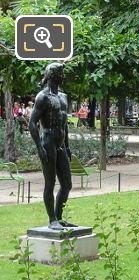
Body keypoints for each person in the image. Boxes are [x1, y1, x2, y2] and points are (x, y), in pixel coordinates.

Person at [29, 63, 75, 230]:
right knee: (50, 182)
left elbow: (65, 124)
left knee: (67, 184)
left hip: (61, 143)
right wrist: (39, 147)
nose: (63, 76)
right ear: (52, 75)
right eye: (60, 73)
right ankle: (52, 220)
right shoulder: (43, 97)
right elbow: (32, 123)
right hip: (48, 141)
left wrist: (68, 146)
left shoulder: (63, 97)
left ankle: (59, 217)